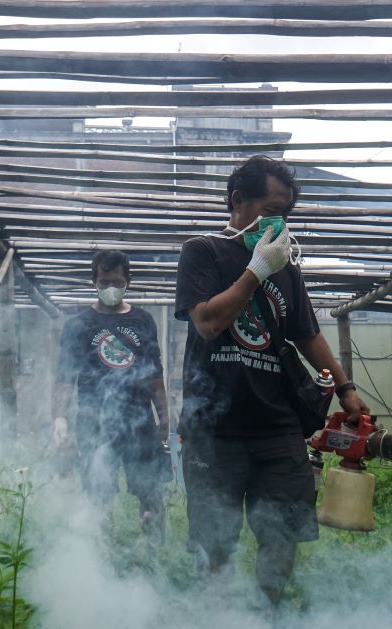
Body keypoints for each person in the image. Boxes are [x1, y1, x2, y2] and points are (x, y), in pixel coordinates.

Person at [175, 155, 370, 606]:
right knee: (215, 543)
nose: (278, 224)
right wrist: (256, 270)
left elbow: (308, 336)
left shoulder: (287, 269)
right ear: (236, 200)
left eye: (284, 215)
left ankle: (268, 618)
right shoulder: (202, 251)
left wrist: (345, 388)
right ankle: (217, 623)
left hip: (278, 428)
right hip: (214, 432)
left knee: (281, 534)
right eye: (269, 211)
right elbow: (208, 322)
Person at [54, 250, 170, 541]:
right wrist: (59, 419)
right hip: (94, 423)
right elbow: (65, 378)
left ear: (128, 280)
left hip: (139, 421)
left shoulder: (143, 321)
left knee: (150, 492)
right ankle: (103, 554)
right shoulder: (78, 325)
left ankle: (154, 552)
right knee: (98, 492)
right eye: (104, 282)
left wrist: (165, 415)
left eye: (116, 282)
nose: (110, 289)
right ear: (94, 281)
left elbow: (155, 374)